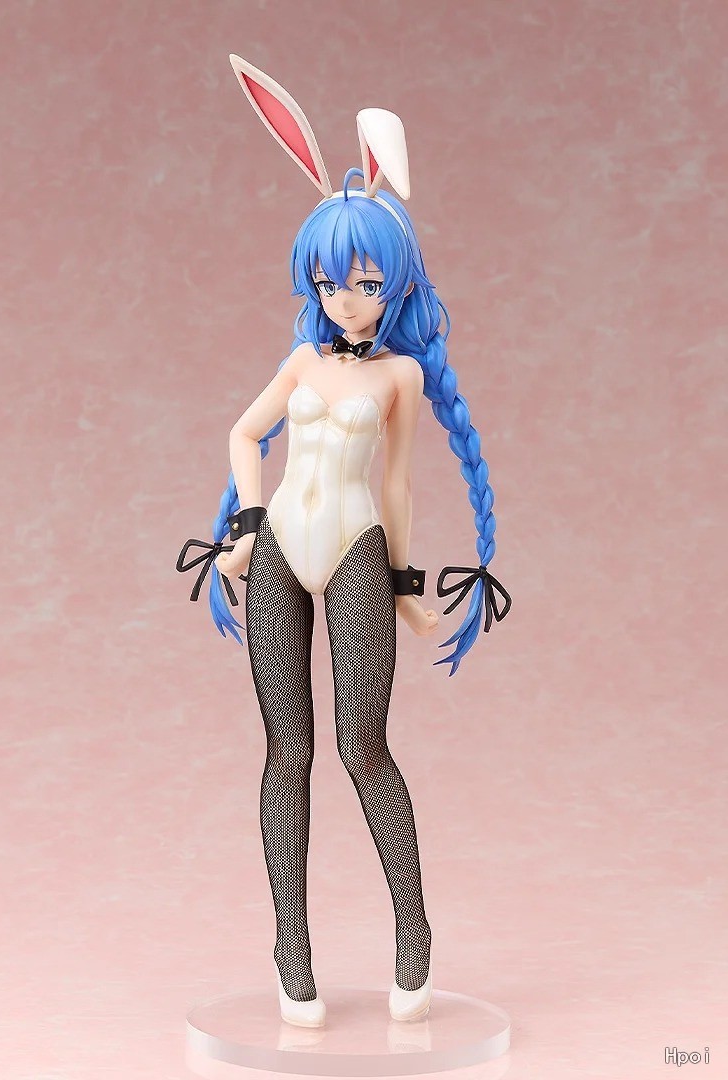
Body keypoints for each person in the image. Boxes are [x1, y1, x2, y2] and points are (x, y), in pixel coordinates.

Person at [176, 55, 511, 1029]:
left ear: (393, 280)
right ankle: (292, 947)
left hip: (358, 547)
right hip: (281, 547)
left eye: (363, 282)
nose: (345, 298)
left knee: (364, 745)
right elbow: (244, 434)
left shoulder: (398, 378)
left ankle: (414, 932)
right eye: (329, 282)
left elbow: (398, 484)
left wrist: (404, 584)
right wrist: (243, 527)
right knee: (286, 752)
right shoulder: (301, 362)